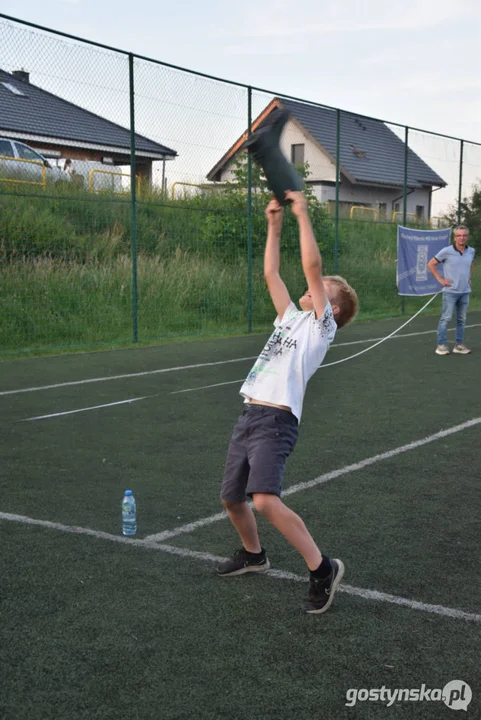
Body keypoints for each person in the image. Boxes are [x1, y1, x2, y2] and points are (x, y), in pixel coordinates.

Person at [216, 190, 359, 614]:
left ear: (330, 308)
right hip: (251, 412)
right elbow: (271, 273)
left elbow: (311, 266)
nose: (308, 287)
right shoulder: (291, 319)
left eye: (319, 289)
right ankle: (254, 555)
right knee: (232, 497)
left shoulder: (320, 327)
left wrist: (302, 215)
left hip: (276, 421)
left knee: (263, 499)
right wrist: (274, 225)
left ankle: (322, 569)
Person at [427, 225, 475, 356]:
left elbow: (470, 264)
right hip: (450, 292)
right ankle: (441, 345)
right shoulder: (446, 251)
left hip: (465, 292)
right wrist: (440, 279)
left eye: (464, 235)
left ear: (467, 237)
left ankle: (458, 345)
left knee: (461, 319)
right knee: (446, 319)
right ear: (455, 238)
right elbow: (431, 264)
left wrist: (469, 277)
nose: (462, 238)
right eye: (459, 235)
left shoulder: (471, 251)